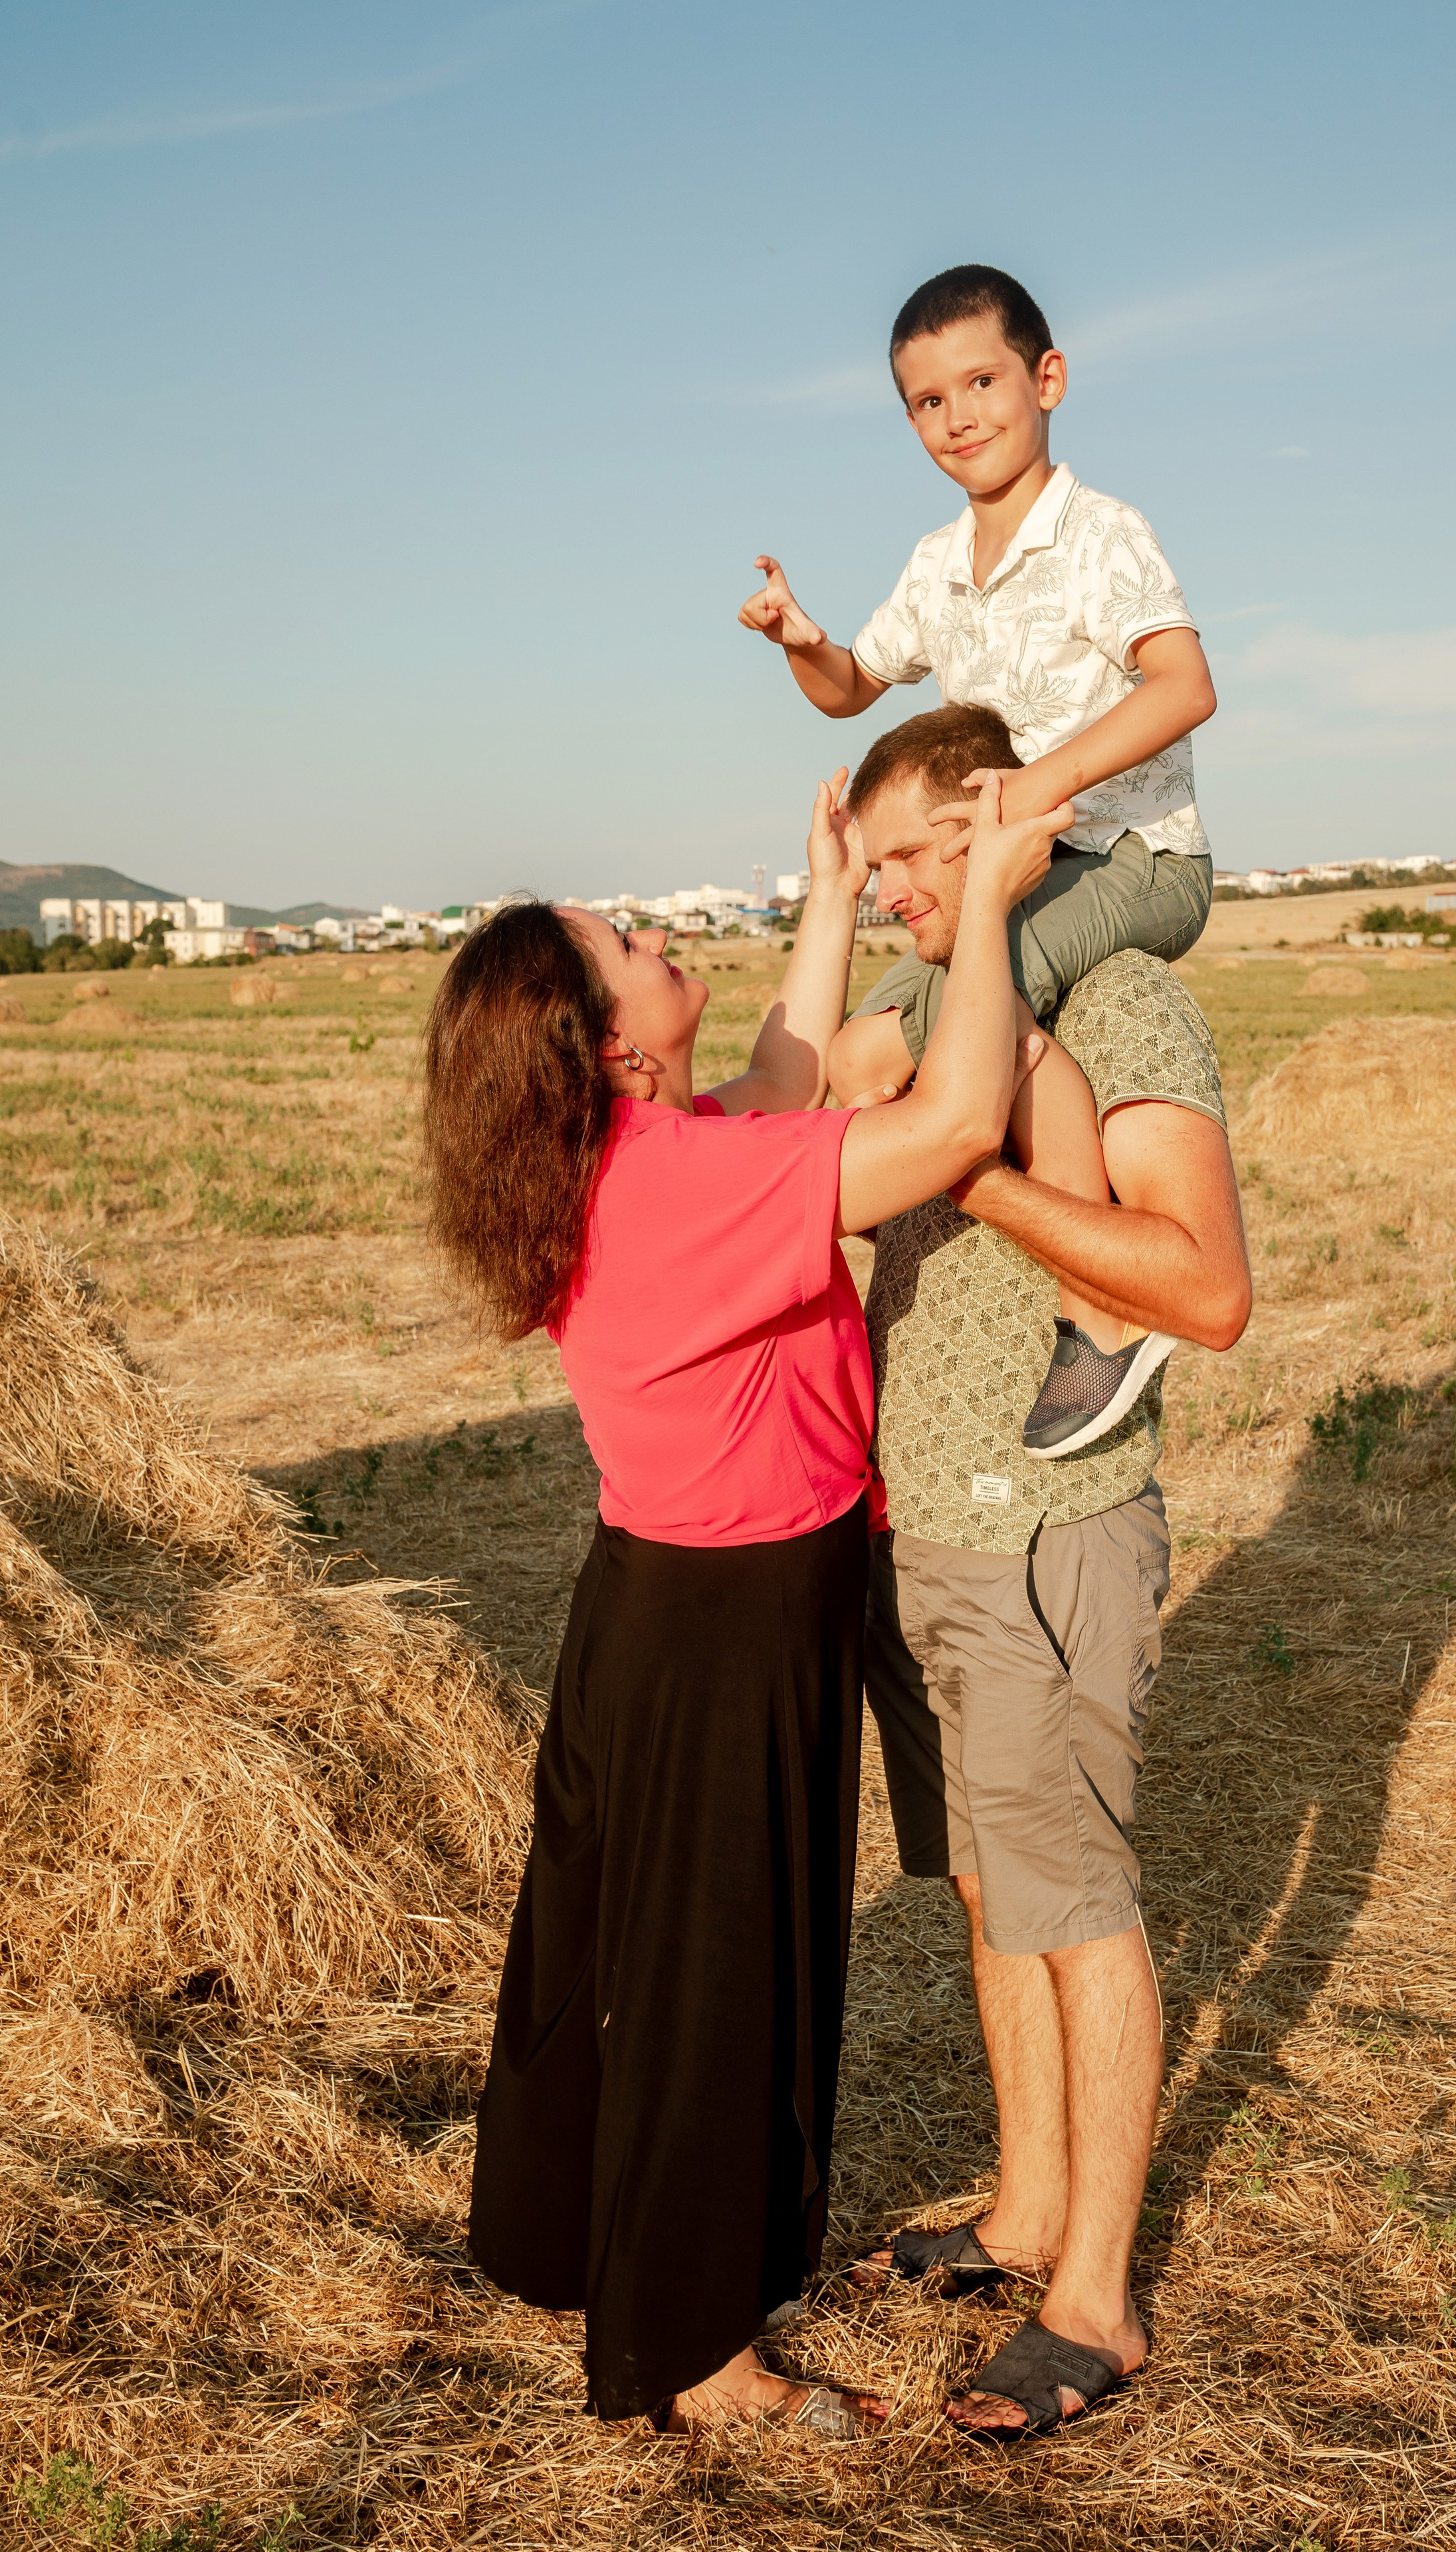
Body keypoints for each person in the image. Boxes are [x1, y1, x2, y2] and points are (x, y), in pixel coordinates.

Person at [420, 762, 1069, 2437]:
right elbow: (947, 1128)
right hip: (727, 1624)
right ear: (606, 1039)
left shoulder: (637, 1156)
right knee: (721, 1980)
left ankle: (571, 2241)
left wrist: (829, 890)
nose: (651, 933)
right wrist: (983, 902)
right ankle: (695, 2359)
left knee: (617, 1949)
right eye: (623, 940)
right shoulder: (672, 1185)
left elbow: (785, 1075)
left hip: (652, 1604)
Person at [834, 706, 1253, 2444]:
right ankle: (1022, 2212)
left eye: (916, 861)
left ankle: (1095, 2301)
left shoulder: (1122, 1003)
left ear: (998, 824)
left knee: (1074, 1902)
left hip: (1044, 1526)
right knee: (999, 1893)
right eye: (875, 876)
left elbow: (1202, 1289)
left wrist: (989, 1180)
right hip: (929, 1534)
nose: (897, 901)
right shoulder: (940, 1004)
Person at [739, 261, 1219, 1457]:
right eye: (926, 401)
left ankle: (1101, 1306)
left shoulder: (1102, 537)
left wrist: (1039, 790)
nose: (958, 416)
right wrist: (802, 640)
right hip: (1020, 872)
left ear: (1046, 378)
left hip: (1127, 855)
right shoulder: (936, 565)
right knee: (861, 1052)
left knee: (982, 1011)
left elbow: (1186, 686)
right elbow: (851, 690)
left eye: (982, 382)